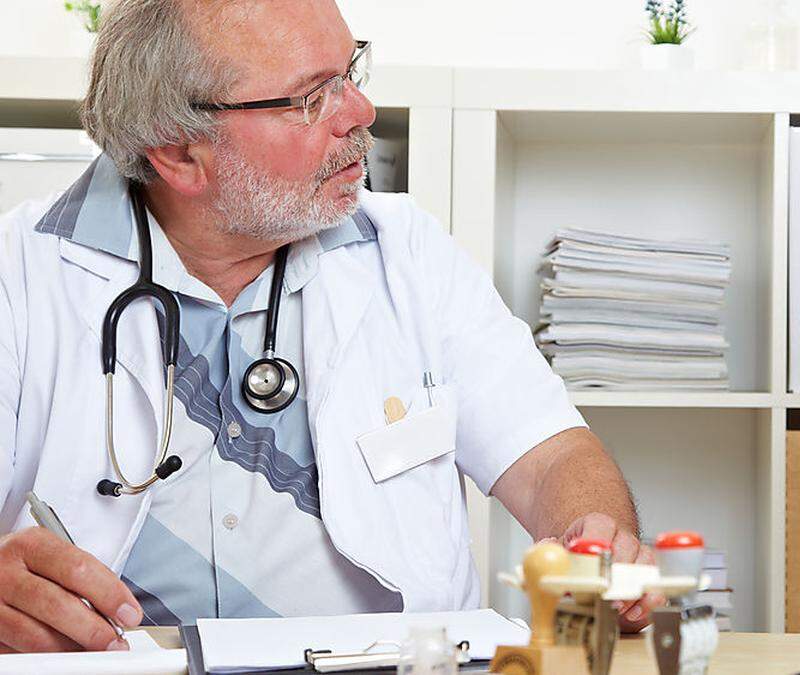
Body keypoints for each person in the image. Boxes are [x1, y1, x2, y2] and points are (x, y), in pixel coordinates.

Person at [0, 0, 656, 653]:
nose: (360, 113)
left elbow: (550, 456)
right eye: (313, 97)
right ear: (178, 154)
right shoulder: (20, 274)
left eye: (350, 72)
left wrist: (592, 536)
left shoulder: (409, 253)